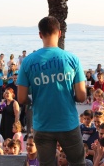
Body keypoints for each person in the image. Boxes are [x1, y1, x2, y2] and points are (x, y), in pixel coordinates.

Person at [17, 16, 86, 165]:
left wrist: (34, 100)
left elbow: (21, 98)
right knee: (78, 163)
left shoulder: (28, 61)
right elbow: (81, 96)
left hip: (42, 124)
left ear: (40, 34)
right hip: (68, 122)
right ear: (60, 33)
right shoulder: (72, 59)